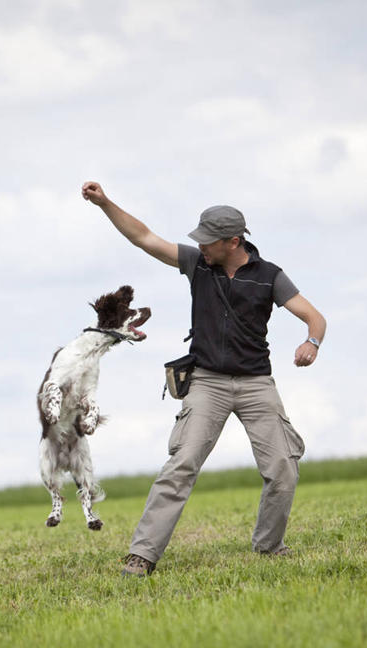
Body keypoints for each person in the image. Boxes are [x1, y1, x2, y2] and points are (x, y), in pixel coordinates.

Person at [82, 181, 327, 576]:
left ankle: (269, 547)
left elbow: (315, 317)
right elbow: (143, 237)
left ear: (233, 241)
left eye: (208, 240)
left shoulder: (270, 276)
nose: (201, 245)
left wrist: (311, 342)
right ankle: (142, 555)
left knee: (283, 466)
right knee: (181, 465)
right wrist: (105, 203)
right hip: (207, 383)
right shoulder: (197, 263)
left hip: (256, 384)